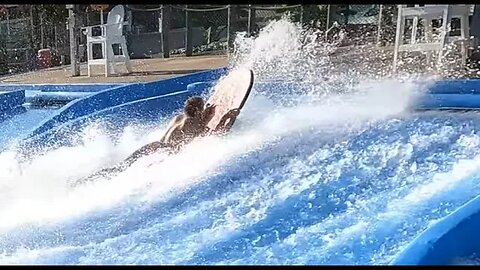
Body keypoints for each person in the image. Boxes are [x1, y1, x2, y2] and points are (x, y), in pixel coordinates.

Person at [122, 96, 240, 166]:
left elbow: (194, 123)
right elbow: (218, 133)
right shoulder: (194, 125)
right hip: (166, 153)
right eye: (203, 107)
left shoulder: (179, 118)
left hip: (155, 145)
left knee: (123, 166)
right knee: (149, 169)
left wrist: (205, 115)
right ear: (198, 111)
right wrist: (227, 117)